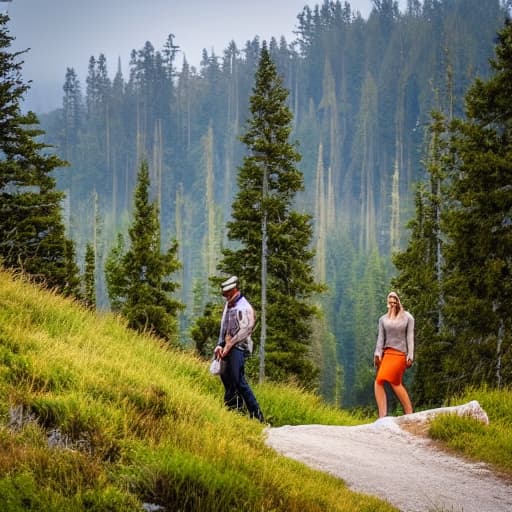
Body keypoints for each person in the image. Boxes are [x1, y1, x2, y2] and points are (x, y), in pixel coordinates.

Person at [213, 276, 264, 422]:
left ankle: (257, 416)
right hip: (227, 347)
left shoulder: (244, 307)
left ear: (234, 290)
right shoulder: (229, 305)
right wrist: (220, 344)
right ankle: (234, 412)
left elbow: (246, 329)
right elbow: (224, 326)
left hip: (239, 348)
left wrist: (229, 345)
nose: (225, 296)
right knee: (226, 379)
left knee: (238, 380)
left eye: (227, 293)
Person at [373, 291, 414, 418]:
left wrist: (410, 355)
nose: (392, 304)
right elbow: (381, 338)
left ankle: (409, 413)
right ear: (388, 303)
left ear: (398, 301)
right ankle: (382, 415)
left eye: (394, 301)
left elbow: (410, 336)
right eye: (390, 301)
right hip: (387, 353)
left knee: (394, 382)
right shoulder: (383, 319)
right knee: (381, 381)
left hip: (400, 354)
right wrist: (377, 353)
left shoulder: (407, 317)